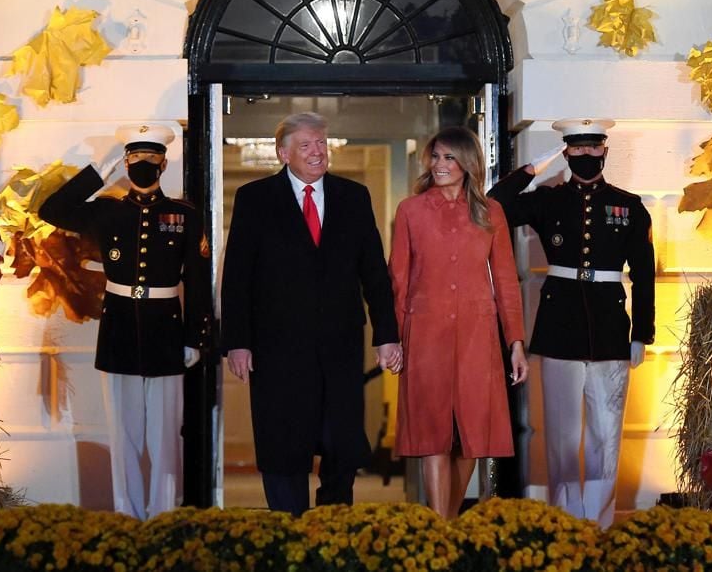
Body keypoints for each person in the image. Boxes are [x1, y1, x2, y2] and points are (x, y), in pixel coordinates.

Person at [221, 112, 400, 516]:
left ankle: (333, 528)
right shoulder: (255, 199)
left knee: (341, 443)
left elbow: (374, 272)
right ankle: (289, 530)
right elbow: (237, 278)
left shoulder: (354, 197)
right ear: (283, 153)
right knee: (283, 443)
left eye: (321, 143)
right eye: (306, 145)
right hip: (277, 349)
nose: (318, 151)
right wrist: (237, 342)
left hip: (339, 347)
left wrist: (386, 334)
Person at [487, 117, 655, 528]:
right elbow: (494, 206)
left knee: (606, 432)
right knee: (561, 435)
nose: (584, 156)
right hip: (560, 324)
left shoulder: (629, 205)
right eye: (575, 150)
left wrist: (642, 332)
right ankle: (566, 520)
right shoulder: (548, 199)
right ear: (566, 153)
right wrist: (530, 171)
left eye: (591, 148)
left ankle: (598, 521)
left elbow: (645, 272)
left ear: (604, 151)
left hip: (610, 327)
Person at [39, 124, 211, 519]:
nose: (144, 165)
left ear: (164, 163)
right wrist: (99, 172)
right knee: (123, 434)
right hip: (118, 329)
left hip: (167, 329)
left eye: (152, 159)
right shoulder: (107, 211)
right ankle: (128, 516)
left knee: (166, 436)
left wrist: (194, 337)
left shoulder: (183, 215)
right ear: (126, 162)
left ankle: (164, 515)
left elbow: (198, 280)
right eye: (135, 158)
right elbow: (52, 210)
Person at [388, 127, 530, 519]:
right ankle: (441, 526)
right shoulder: (410, 211)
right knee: (433, 431)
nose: (439, 165)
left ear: (468, 163)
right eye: (435, 157)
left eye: (449, 157)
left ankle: (444, 523)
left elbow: (505, 280)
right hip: (425, 333)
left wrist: (515, 341)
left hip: (477, 334)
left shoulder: (490, 211)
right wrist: (393, 339)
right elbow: (397, 279)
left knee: (473, 434)